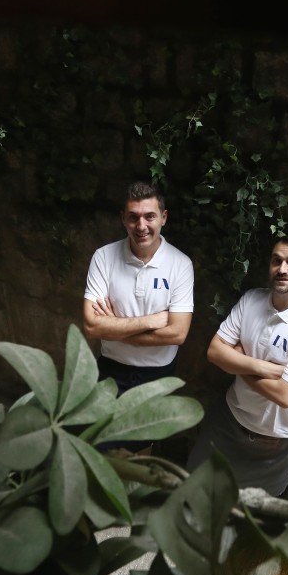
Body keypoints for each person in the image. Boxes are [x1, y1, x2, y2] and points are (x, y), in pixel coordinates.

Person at [186, 236, 288, 498]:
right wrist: (269, 369)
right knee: (194, 492)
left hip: (278, 440)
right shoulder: (251, 300)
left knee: (253, 513)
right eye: (276, 261)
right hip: (230, 420)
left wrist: (237, 364)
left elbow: (286, 395)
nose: (282, 269)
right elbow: (215, 352)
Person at [82, 181, 194, 452]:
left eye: (149, 216)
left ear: (163, 218)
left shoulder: (180, 264)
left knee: (140, 449)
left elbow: (178, 333)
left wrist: (114, 328)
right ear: (123, 219)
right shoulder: (103, 257)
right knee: (96, 443)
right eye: (133, 217)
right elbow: (91, 326)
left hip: (157, 376)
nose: (141, 226)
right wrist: (151, 321)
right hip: (110, 370)